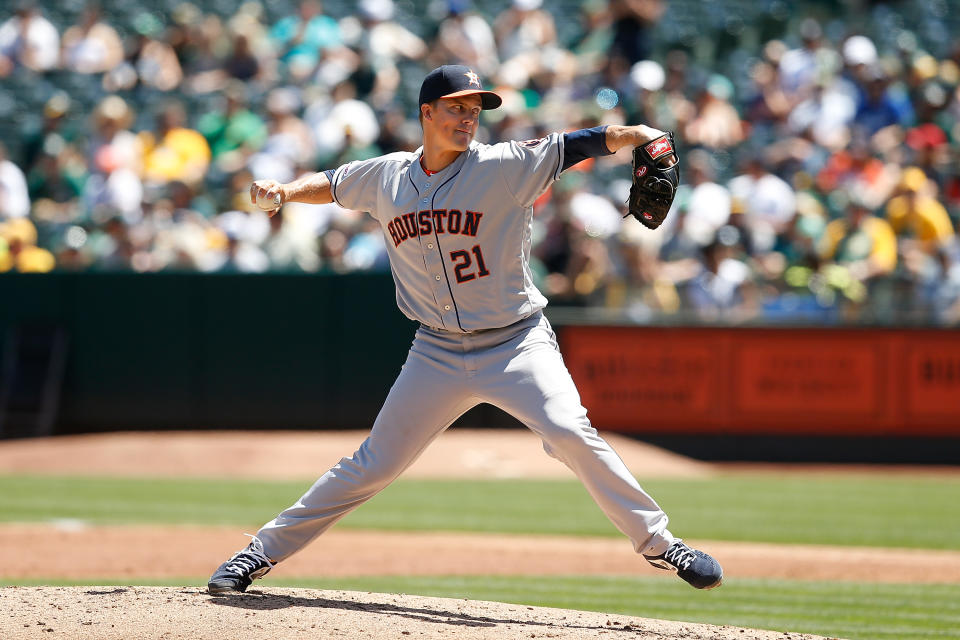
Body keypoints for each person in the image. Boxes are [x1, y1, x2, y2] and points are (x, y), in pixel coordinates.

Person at [207, 64, 723, 594]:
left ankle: (661, 543)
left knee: (571, 432)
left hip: (516, 343)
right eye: (456, 107)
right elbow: (334, 185)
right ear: (426, 112)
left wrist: (637, 135)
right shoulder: (386, 175)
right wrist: (286, 192)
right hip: (434, 351)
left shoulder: (503, 166)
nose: (468, 118)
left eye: (474, 111)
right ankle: (258, 553)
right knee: (371, 465)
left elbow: (578, 144)